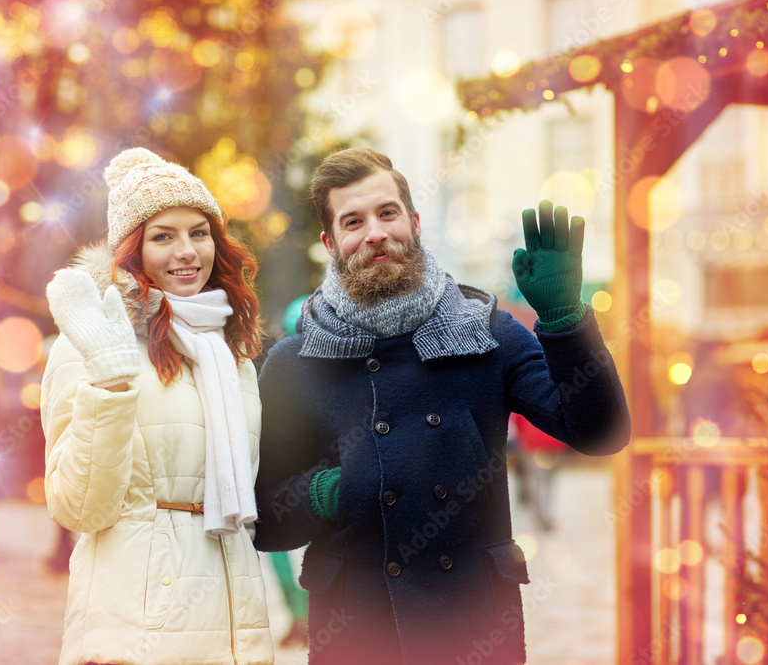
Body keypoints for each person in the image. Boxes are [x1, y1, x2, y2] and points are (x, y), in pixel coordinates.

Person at [253, 146, 631, 665]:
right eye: (353, 221)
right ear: (330, 243)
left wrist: (565, 319)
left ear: (414, 220)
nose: (375, 233)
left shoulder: (486, 333)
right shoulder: (297, 363)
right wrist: (337, 488)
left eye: (387, 213)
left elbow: (600, 433)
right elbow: (268, 520)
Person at [41, 147, 274, 665]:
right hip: (138, 628)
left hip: (233, 621)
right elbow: (79, 508)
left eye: (198, 232)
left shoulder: (231, 352)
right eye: (162, 236)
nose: (186, 251)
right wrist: (109, 383)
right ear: (133, 251)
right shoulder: (92, 341)